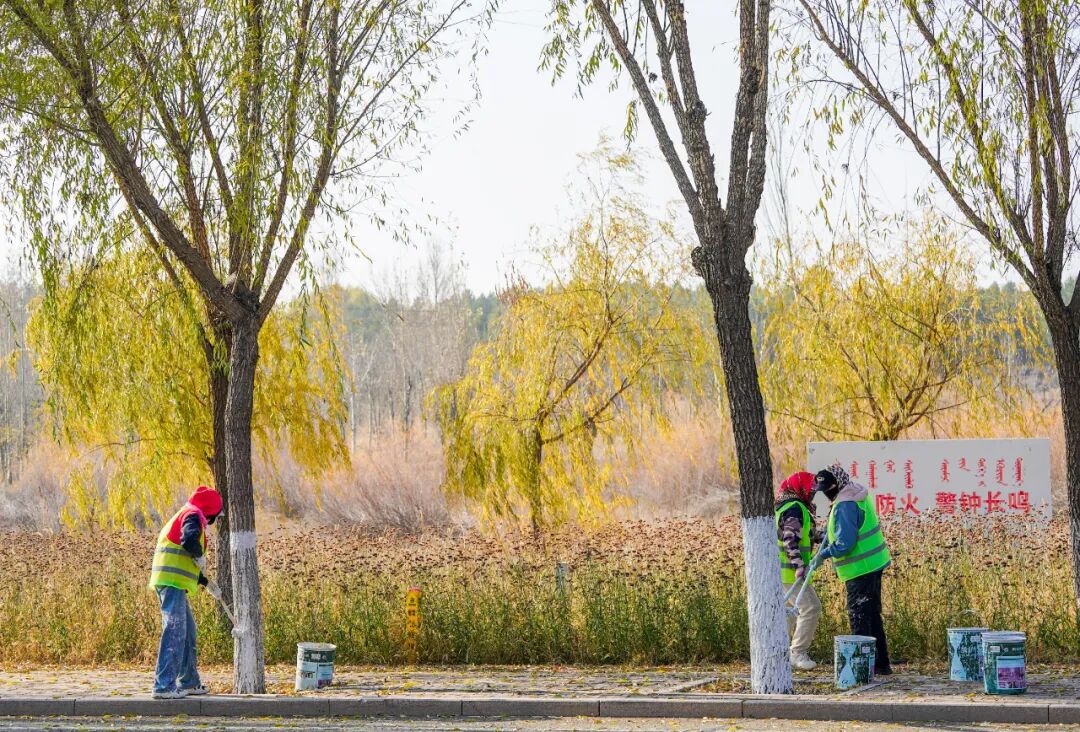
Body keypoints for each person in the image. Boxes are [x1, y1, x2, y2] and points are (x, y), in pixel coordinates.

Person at [812, 464, 893, 675]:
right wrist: (822, 537)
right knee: (872, 615)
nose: (826, 494)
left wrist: (823, 554)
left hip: (860, 568)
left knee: (859, 617)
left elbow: (845, 543)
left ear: (836, 484)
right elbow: (842, 530)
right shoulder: (855, 493)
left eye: (828, 489)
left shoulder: (845, 504)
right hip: (874, 563)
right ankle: (881, 664)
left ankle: (862, 668)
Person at [148, 485, 225, 699]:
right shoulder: (192, 516)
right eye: (215, 516)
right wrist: (200, 555)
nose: (214, 520)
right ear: (209, 512)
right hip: (170, 582)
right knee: (175, 631)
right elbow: (188, 541)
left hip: (175, 582)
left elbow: (184, 557)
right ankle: (163, 686)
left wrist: (206, 582)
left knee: (188, 631)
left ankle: (189, 681)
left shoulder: (189, 515)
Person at [775, 471, 823, 670]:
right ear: (800, 487)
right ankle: (798, 653)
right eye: (810, 488)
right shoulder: (795, 508)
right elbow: (789, 539)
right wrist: (798, 565)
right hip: (790, 573)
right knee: (811, 608)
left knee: (789, 613)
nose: (813, 493)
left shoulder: (790, 505)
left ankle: (779, 653)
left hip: (783, 572)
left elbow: (804, 534)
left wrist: (825, 535)